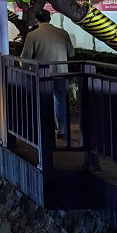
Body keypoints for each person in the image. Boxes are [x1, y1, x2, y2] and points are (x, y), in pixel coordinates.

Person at [20, 8, 76, 139]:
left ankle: (44, 130)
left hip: (42, 74)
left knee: (42, 101)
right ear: (49, 18)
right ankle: (62, 130)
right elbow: (72, 53)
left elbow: (26, 57)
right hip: (61, 72)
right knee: (60, 101)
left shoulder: (32, 35)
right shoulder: (62, 33)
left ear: (36, 20)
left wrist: (24, 67)